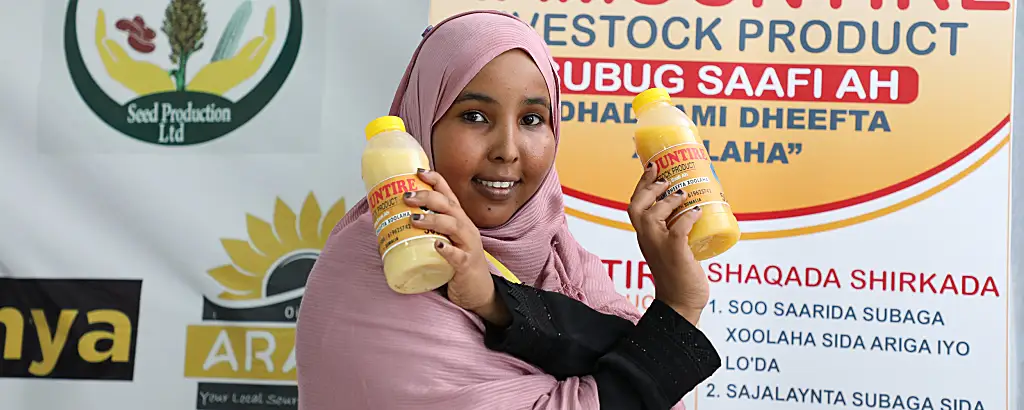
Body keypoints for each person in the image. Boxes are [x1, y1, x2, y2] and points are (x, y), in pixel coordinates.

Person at [295, 10, 721, 410]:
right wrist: (678, 311)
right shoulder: (385, 258)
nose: (507, 150)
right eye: (475, 116)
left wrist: (494, 301)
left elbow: (639, 368)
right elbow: (644, 372)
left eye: (533, 120)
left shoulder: (559, 258)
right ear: (423, 122)